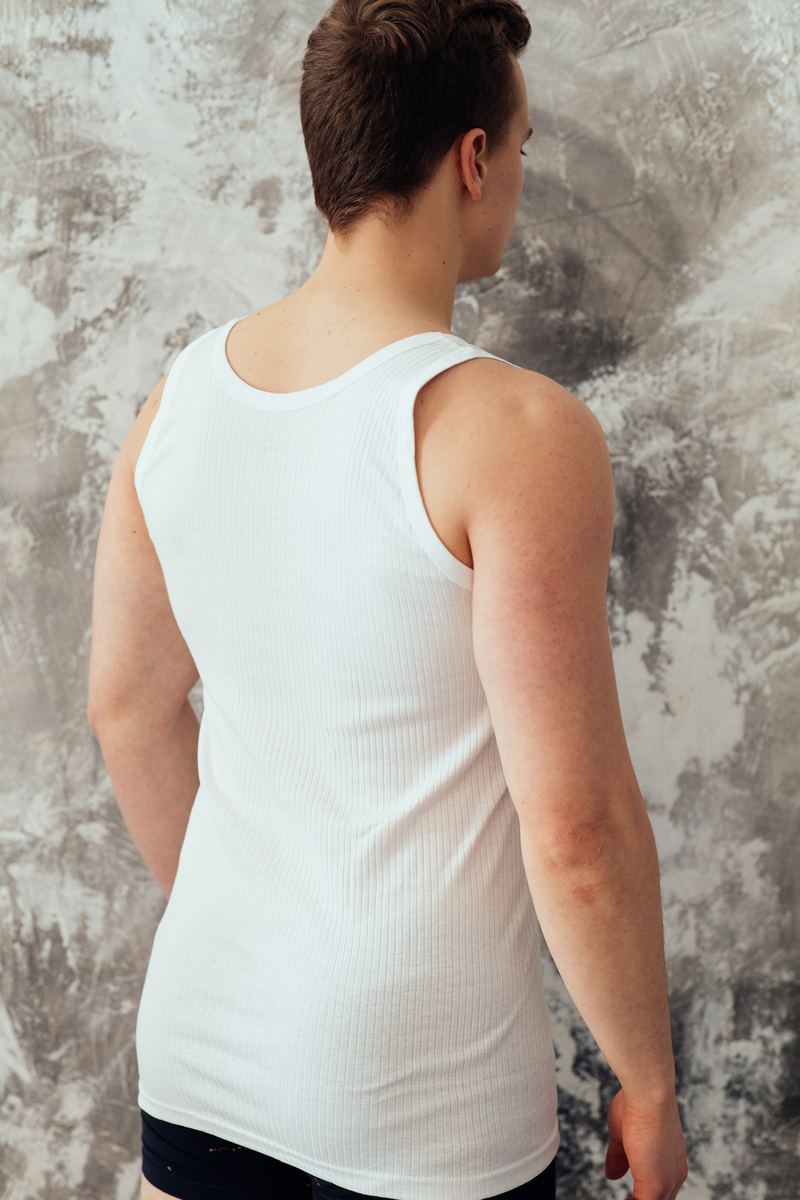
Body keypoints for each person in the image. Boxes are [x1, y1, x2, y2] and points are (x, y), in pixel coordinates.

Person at [88, 2, 688, 1198]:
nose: (518, 175)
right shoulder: (517, 432)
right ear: (471, 159)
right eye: (519, 147)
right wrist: (649, 1081)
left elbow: (127, 709)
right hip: (416, 1091)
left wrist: (254, 948)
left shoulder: (178, 401)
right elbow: (573, 828)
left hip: (204, 1042)